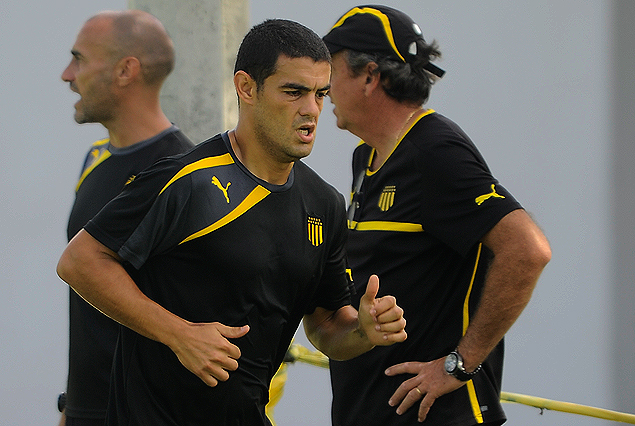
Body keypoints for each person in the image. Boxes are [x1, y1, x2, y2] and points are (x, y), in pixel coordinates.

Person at [57, 18, 407, 426]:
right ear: (246, 88)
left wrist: (364, 330)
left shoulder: (324, 204)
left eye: (320, 94)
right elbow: (80, 261)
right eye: (293, 91)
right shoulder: (188, 179)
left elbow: (327, 324)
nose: (311, 110)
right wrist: (179, 334)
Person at [323, 5, 551, 425]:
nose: (324, 88)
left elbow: (528, 250)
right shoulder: (367, 157)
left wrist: (458, 365)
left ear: (370, 76)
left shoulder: (433, 150)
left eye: (331, 71)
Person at [58, 10, 194, 426]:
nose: (67, 75)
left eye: (79, 59)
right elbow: (89, 315)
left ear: (125, 70)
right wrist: (71, 407)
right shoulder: (95, 158)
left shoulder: (184, 173)